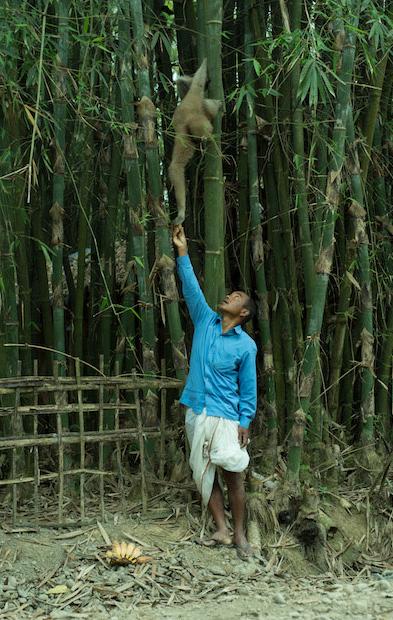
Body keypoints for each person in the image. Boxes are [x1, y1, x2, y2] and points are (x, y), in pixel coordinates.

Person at [172, 224, 257, 560]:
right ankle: (220, 529)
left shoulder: (245, 347)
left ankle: (239, 535)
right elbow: (191, 288)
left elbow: (248, 389)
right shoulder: (206, 321)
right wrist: (182, 251)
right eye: (230, 294)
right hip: (197, 408)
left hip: (227, 415)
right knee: (202, 471)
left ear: (244, 312)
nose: (229, 297)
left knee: (232, 472)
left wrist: (245, 421)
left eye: (236, 297)